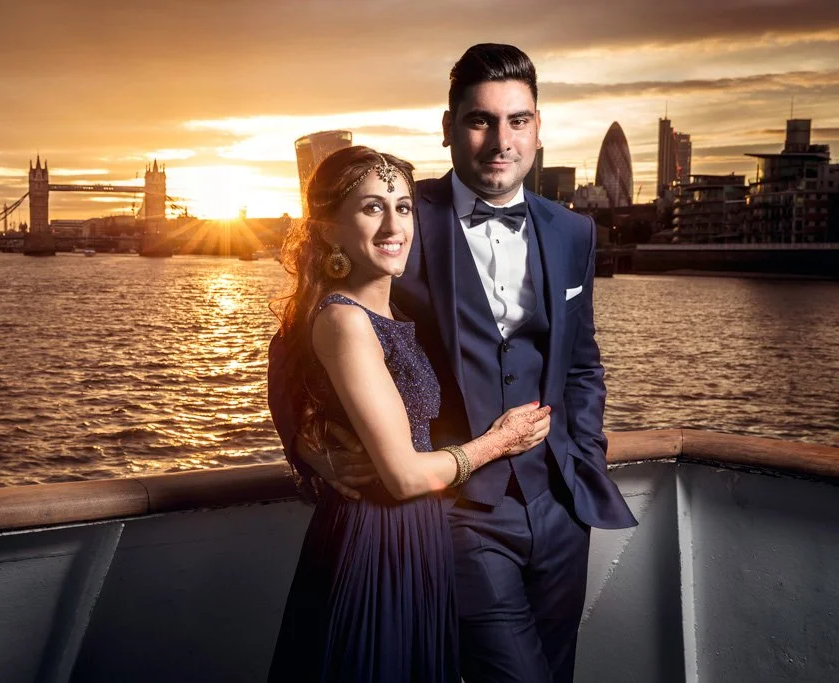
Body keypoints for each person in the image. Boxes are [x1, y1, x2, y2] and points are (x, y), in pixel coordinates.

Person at [269, 44, 639, 682]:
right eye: (480, 121)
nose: (501, 141)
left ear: (538, 128)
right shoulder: (404, 219)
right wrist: (309, 446)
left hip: (559, 510)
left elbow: (582, 364)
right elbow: (301, 336)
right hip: (458, 514)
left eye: (517, 120)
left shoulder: (571, 232)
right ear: (448, 129)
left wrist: (583, 457)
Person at [266, 145, 551, 683]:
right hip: (374, 541)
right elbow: (400, 476)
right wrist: (501, 441)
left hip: (418, 537)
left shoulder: (389, 310)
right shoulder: (344, 319)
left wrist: (314, 443)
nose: (394, 224)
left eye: (403, 206)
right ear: (328, 230)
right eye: (372, 207)